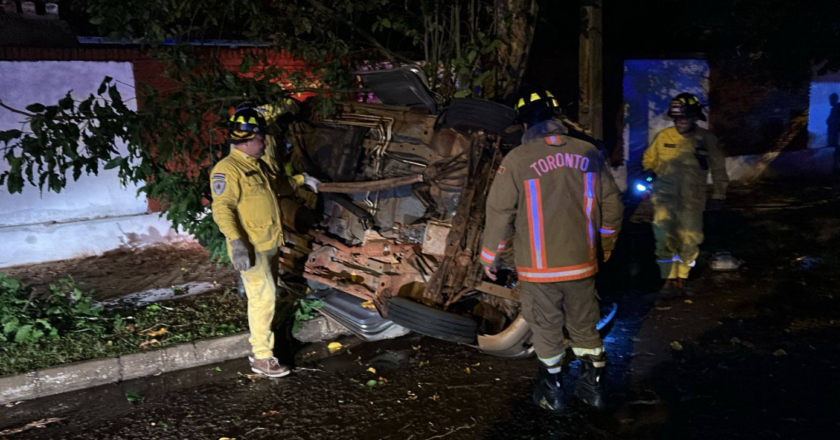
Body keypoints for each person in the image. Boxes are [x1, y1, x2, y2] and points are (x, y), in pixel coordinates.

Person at [480, 90, 624, 412]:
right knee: (585, 326)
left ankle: (552, 394)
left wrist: (491, 256)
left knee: (546, 329)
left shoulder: (517, 160)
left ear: (524, 123)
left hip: (538, 269)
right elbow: (613, 204)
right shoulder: (588, 153)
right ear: (557, 116)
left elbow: (500, 213)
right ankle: (594, 391)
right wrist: (604, 244)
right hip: (582, 265)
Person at [210, 105, 317, 378]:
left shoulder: (255, 166)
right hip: (251, 248)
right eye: (261, 138)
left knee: (264, 297)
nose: (266, 142)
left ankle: (266, 347)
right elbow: (222, 208)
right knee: (263, 299)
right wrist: (236, 243)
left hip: (267, 244)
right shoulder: (227, 170)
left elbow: (276, 187)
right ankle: (262, 357)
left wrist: (302, 181)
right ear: (248, 139)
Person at [642, 93, 728, 296]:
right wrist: (649, 172)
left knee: (690, 239)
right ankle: (667, 278)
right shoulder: (663, 137)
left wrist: (719, 195)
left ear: (694, 118)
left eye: (685, 118)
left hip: (692, 201)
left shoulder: (707, 140)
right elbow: (649, 158)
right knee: (664, 239)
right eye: (677, 119)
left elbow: (718, 169)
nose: (681, 122)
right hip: (664, 199)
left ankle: (682, 276)